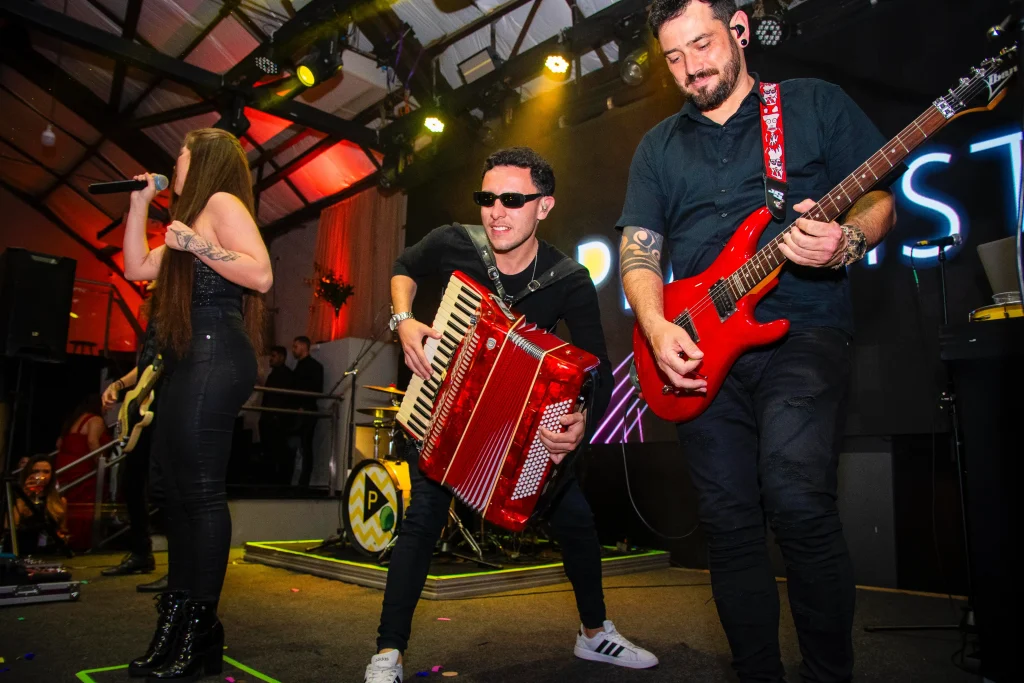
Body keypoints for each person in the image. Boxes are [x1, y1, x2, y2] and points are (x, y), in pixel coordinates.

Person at [618, 2, 898, 681]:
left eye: (702, 45)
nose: (691, 67)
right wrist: (655, 325)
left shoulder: (811, 104)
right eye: (674, 57)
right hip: (697, 348)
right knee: (728, 521)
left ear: (739, 30)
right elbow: (639, 249)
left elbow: (879, 198)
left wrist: (847, 240)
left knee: (798, 500)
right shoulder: (657, 146)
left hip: (801, 327)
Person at [362, 147, 657, 683]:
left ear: (544, 206)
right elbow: (405, 267)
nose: (496, 212)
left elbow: (599, 369)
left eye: (513, 200)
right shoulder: (455, 242)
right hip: (441, 409)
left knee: (576, 519)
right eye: (488, 198)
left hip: (518, 430)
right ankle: (388, 652)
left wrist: (581, 421)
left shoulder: (568, 278)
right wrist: (403, 320)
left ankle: (594, 634)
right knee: (422, 522)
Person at [123, 127, 272, 680]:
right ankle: (178, 619)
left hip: (216, 351)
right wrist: (139, 204)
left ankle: (200, 627)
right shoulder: (187, 222)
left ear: (202, 157)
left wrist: (195, 244)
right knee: (174, 492)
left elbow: (260, 273)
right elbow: (136, 267)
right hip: (189, 356)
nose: (175, 162)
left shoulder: (220, 203)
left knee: (201, 494)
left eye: (181, 153)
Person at [101, 292, 161, 579]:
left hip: (168, 407)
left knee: (165, 487)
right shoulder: (157, 318)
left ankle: (183, 567)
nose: (147, 283)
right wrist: (119, 385)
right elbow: (147, 366)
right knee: (132, 480)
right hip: (146, 409)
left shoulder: (182, 311)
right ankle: (141, 552)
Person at [55, 394, 112, 551]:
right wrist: (102, 465)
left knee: (69, 503)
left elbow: (59, 443)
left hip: (66, 465)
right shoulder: (95, 419)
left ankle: (66, 540)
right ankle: (80, 543)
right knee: (84, 505)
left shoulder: (73, 420)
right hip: (82, 467)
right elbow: (92, 441)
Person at [3, 454, 69, 556]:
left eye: (46, 472)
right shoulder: (14, 496)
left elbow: (62, 530)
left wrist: (62, 537)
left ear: (52, 475)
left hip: (48, 554)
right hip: (20, 552)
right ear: (28, 473)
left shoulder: (59, 501)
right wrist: (24, 496)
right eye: (36, 471)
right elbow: (8, 526)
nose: (41, 476)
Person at [259, 345, 295, 483]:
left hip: (276, 420)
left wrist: (275, 416)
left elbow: (281, 399)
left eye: (273, 356)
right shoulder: (275, 375)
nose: (270, 359)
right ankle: (274, 481)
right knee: (271, 452)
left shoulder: (284, 375)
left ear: (281, 357)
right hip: (270, 419)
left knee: (277, 452)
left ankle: (277, 482)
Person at [290, 335, 323, 488]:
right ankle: (297, 481)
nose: (293, 350)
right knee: (298, 446)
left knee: (305, 446)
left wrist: (303, 406)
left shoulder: (314, 367)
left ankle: (303, 483)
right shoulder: (301, 366)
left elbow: (316, 390)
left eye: (295, 346)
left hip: (307, 412)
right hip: (298, 411)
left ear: (304, 347)